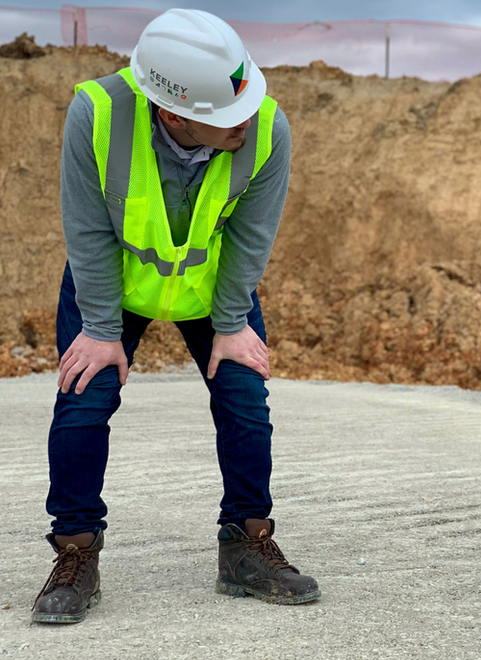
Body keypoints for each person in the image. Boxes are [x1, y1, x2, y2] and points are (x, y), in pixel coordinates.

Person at [32, 9, 319, 624]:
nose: (244, 122)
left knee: (244, 397)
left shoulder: (268, 128)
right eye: (225, 118)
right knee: (84, 397)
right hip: (110, 284)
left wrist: (234, 321)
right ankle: (76, 553)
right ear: (171, 112)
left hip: (215, 288)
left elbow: (252, 235)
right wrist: (103, 331)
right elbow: (85, 227)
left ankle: (245, 545)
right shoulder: (97, 115)